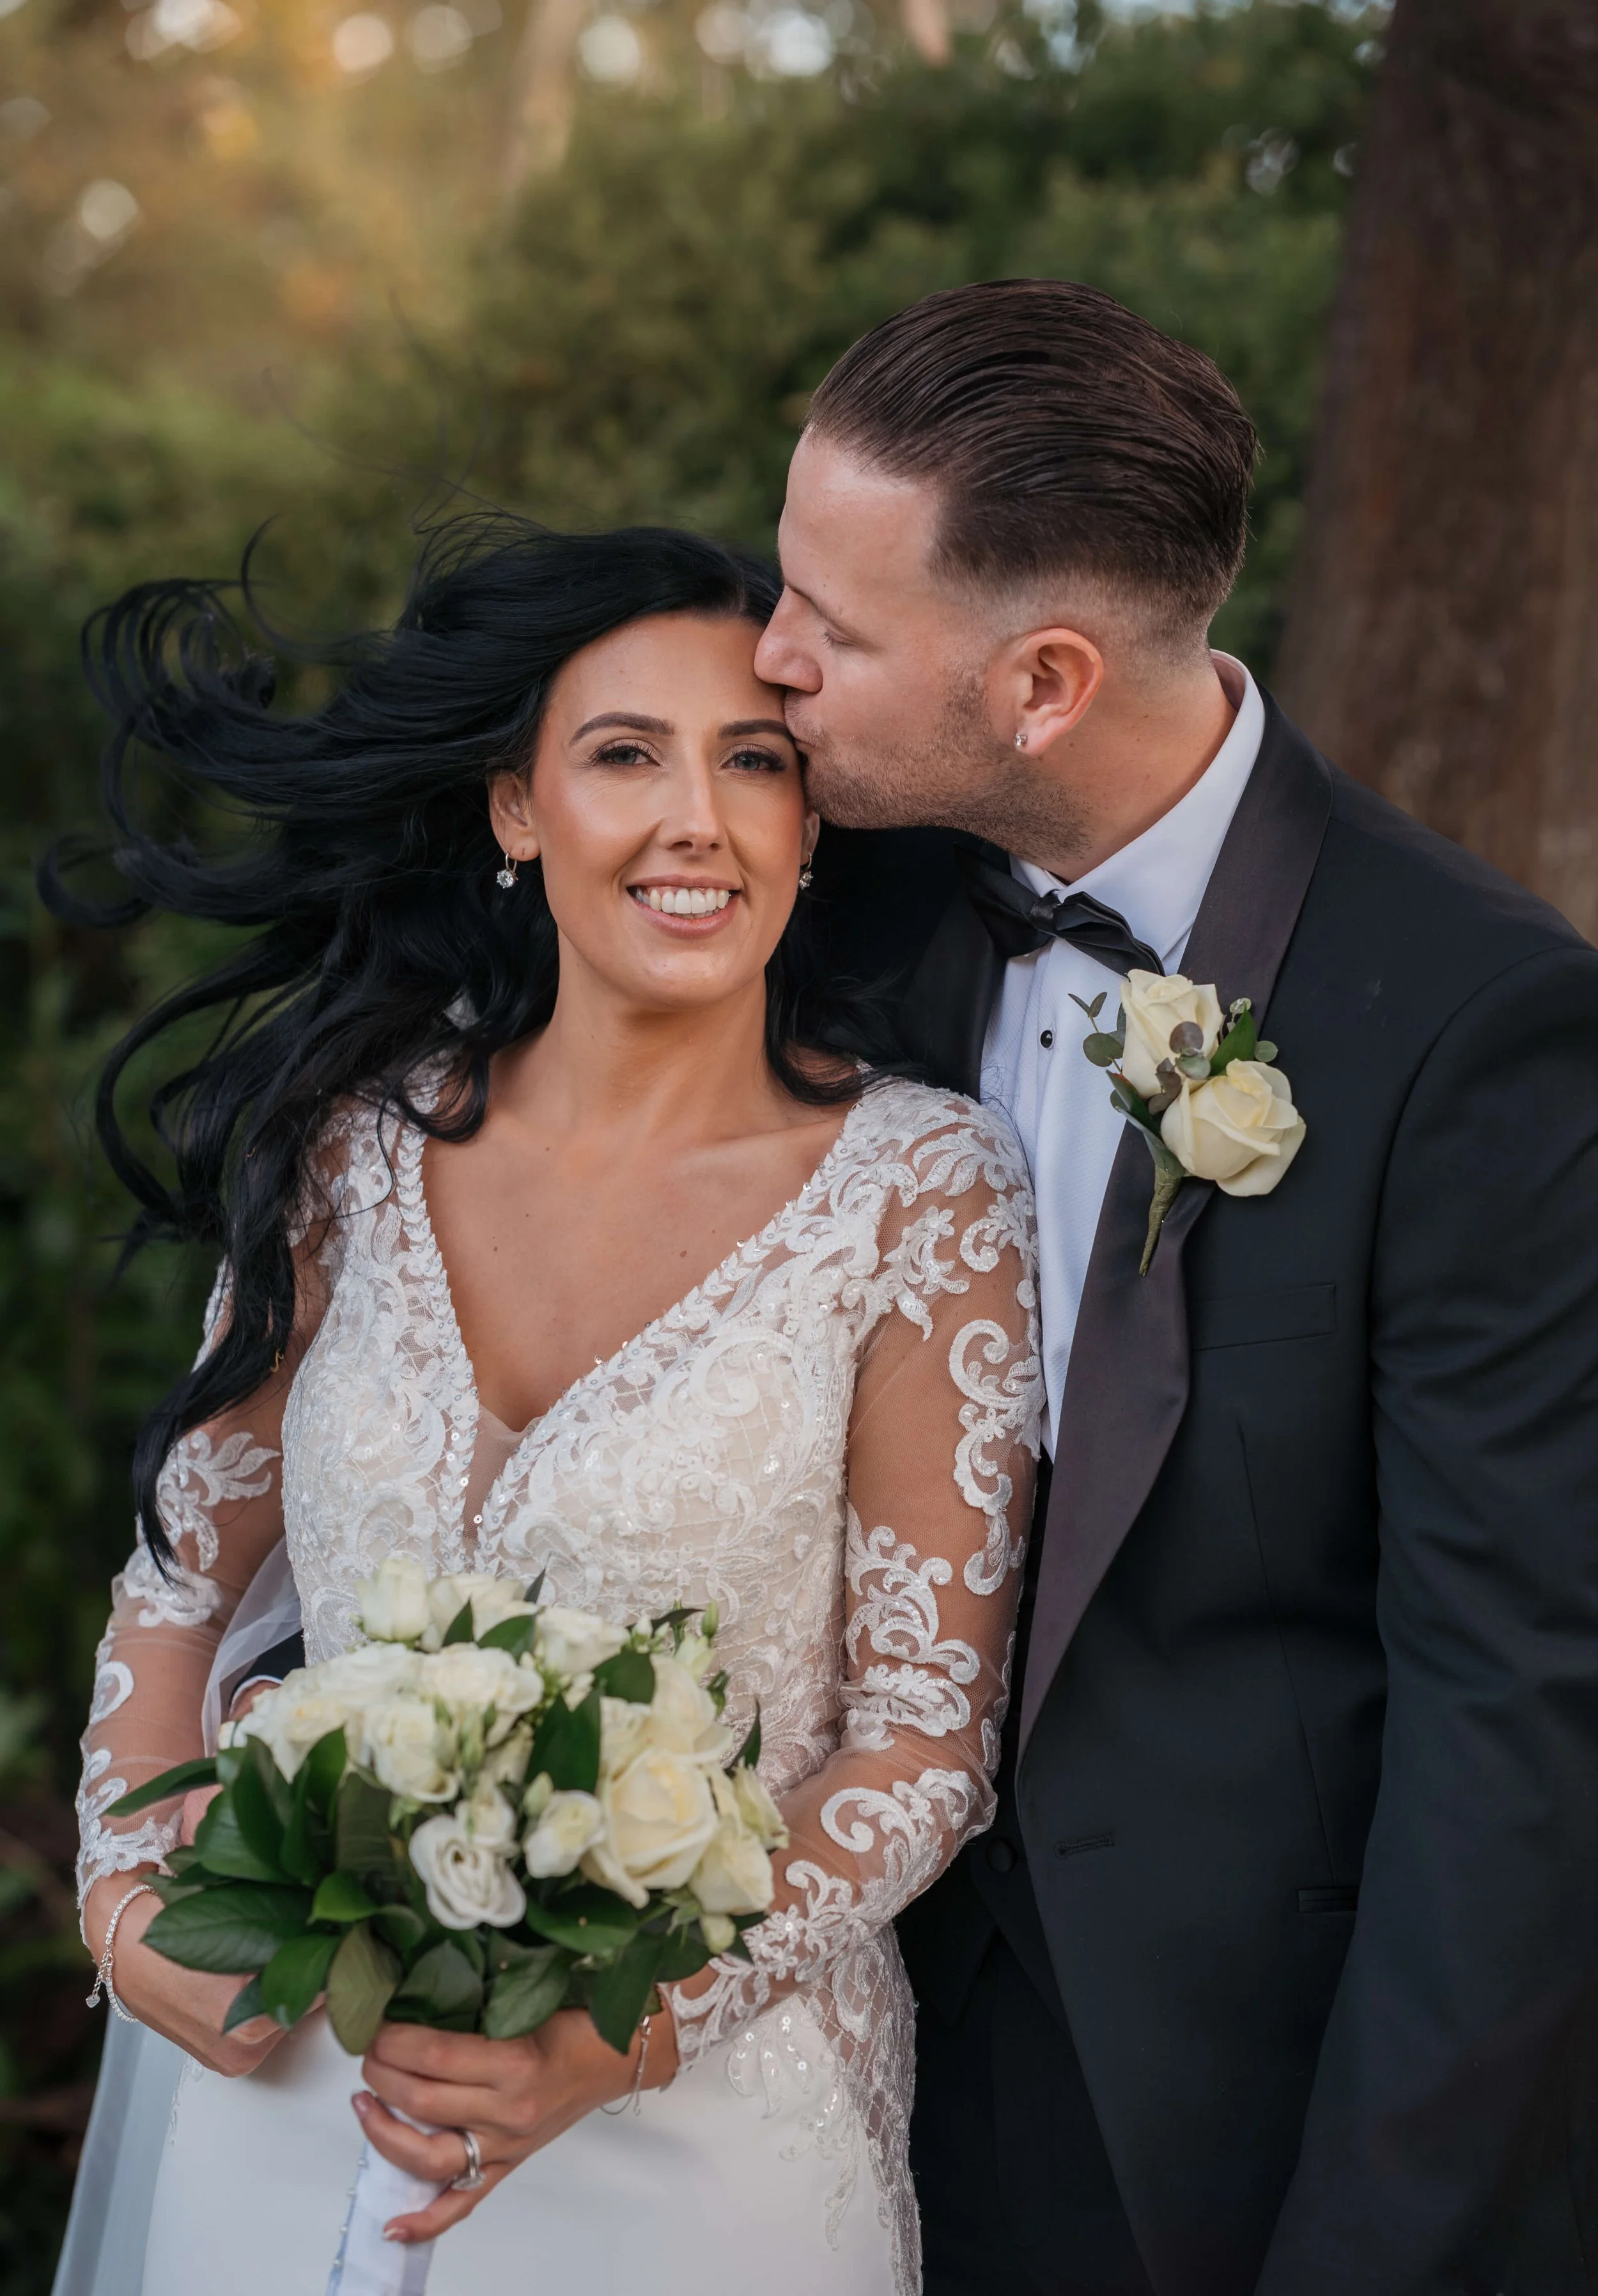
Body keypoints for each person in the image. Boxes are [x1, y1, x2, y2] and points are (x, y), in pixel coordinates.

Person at [55, 520, 1042, 2295]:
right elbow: (182, 1590)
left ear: (812, 823)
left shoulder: (919, 1195)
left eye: (755, 760)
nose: (699, 818)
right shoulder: (349, 1149)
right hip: (287, 2078)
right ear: (515, 810)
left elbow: (917, 1741)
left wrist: (624, 2024)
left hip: (698, 2133)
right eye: (622, 755)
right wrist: (129, 1901)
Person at [754, 279, 1598, 2293]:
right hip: (778, 2061)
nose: (766, 658)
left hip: (1198, 2136)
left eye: (832, 628)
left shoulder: (1476, 1021)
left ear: (1041, 680)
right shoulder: (812, 890)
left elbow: (1518, 1722)